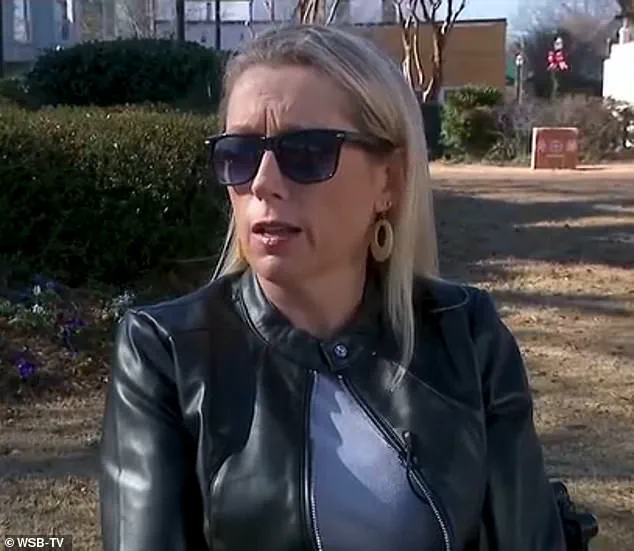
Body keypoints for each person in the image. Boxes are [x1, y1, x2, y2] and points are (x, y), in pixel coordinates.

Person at [99, 24, 569, 551]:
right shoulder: (166, 352)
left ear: (388, 181)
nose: (263, 182)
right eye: (239, 153)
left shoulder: (466, 335)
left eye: (306, 151)